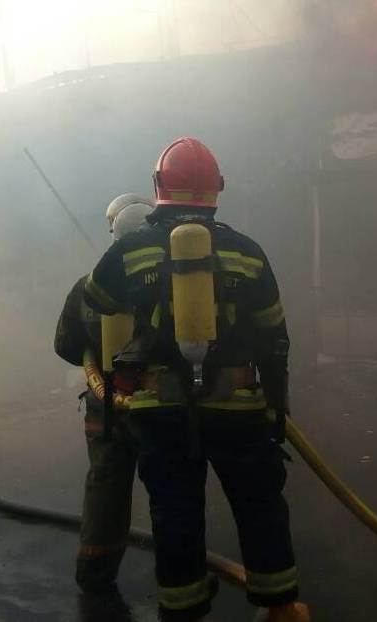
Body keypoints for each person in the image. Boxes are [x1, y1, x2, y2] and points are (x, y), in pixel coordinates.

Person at [83, 138, 310, 622]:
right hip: (239, 407)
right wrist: (275, 409)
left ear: (158, 186)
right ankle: (282, 608)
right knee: (259, 506)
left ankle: (182, 609)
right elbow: (275, 338)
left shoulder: (131, 249)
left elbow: (96, 300)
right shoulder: (247, 252)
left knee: (175, 513)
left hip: (160, 409)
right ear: (217, 188)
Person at [55, 195, 154, 593]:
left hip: (106, 410)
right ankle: (180, 580)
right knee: (171, 494)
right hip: (160, 406)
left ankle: (95, 575)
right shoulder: (171, 284)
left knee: (105, 490)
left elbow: (66, 346)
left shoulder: (88, 287)